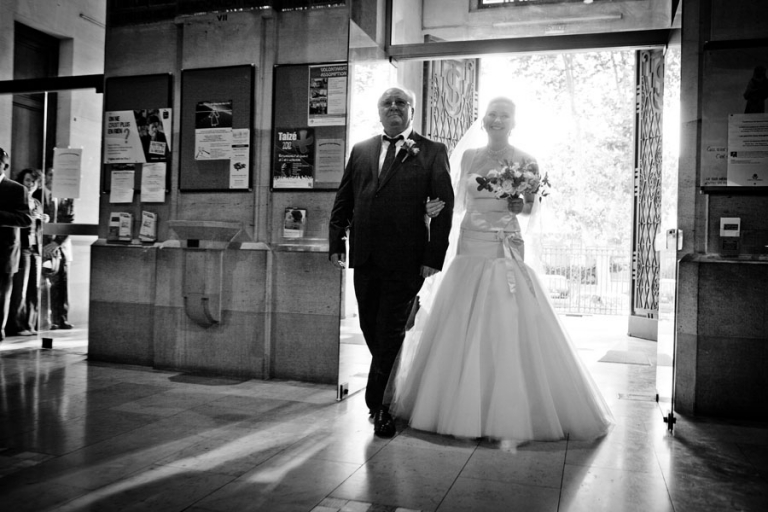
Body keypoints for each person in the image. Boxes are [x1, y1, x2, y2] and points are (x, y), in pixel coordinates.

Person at [386, 97, 613, 444]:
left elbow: (531, 208)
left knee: (508, 317)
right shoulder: (468, 157)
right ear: (483, 119)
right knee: (463, 316)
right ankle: (454, 402)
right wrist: (429, 208)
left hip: (506, 240)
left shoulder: (527, 160)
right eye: (491, 114)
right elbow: (455, 201)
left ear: (513, 122)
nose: (496, 119)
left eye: (504, 115)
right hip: (471, 242)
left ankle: (510, 408)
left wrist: (521, 204)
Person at [329, 87, 455, 438]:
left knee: (389, 330)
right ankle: (385, 387)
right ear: (380, 111)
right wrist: (336, 242)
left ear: (412, 111)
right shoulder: (361, 150)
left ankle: (380, 405)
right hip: (365, 256)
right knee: (371, 328)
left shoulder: (432, 152)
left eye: (402, 103)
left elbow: (443, 207)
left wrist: (433, 256)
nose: (394, 107)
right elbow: (345, 199)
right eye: (388, 103)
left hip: (407, 259)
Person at [7, 169, 47, 336]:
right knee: (20, 288)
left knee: (34, 287)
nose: (30, 184)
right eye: (27, 180)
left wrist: (44, 219)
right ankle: (17, 325)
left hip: (35, 248)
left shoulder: (36, 202)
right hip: (22, 247)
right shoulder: (17, 199)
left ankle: (30, 324)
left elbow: (38, 226)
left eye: (33, 181)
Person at [35, 166, 75, 330]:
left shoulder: (66, 197)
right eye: (50, 175)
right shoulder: (37, 195)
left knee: (62, 284)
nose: (53, 178)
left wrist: (57, 243)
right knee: (45, 283)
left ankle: (61, 318)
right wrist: (46, 245)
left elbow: (69, 221)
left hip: (61, 248)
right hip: (43, 248)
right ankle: (46, 320)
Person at [0, 148, 34, 341]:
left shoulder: (16, 189)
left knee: (1, 296)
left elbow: (25, 219)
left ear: (5, 166)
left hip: (3, 252)